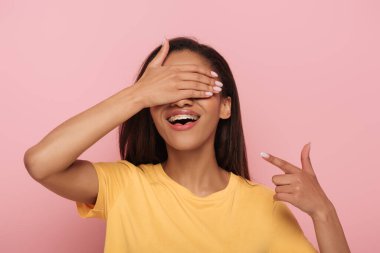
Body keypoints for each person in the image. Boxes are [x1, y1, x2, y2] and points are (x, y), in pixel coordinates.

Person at [24, 37, 350, 253]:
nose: (180, 99)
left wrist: (324, 212)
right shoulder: (124, 186)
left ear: (225, 106)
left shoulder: (265, 206)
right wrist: (137, 94)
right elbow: (41, 162)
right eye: (166, 90)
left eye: (197, 87)